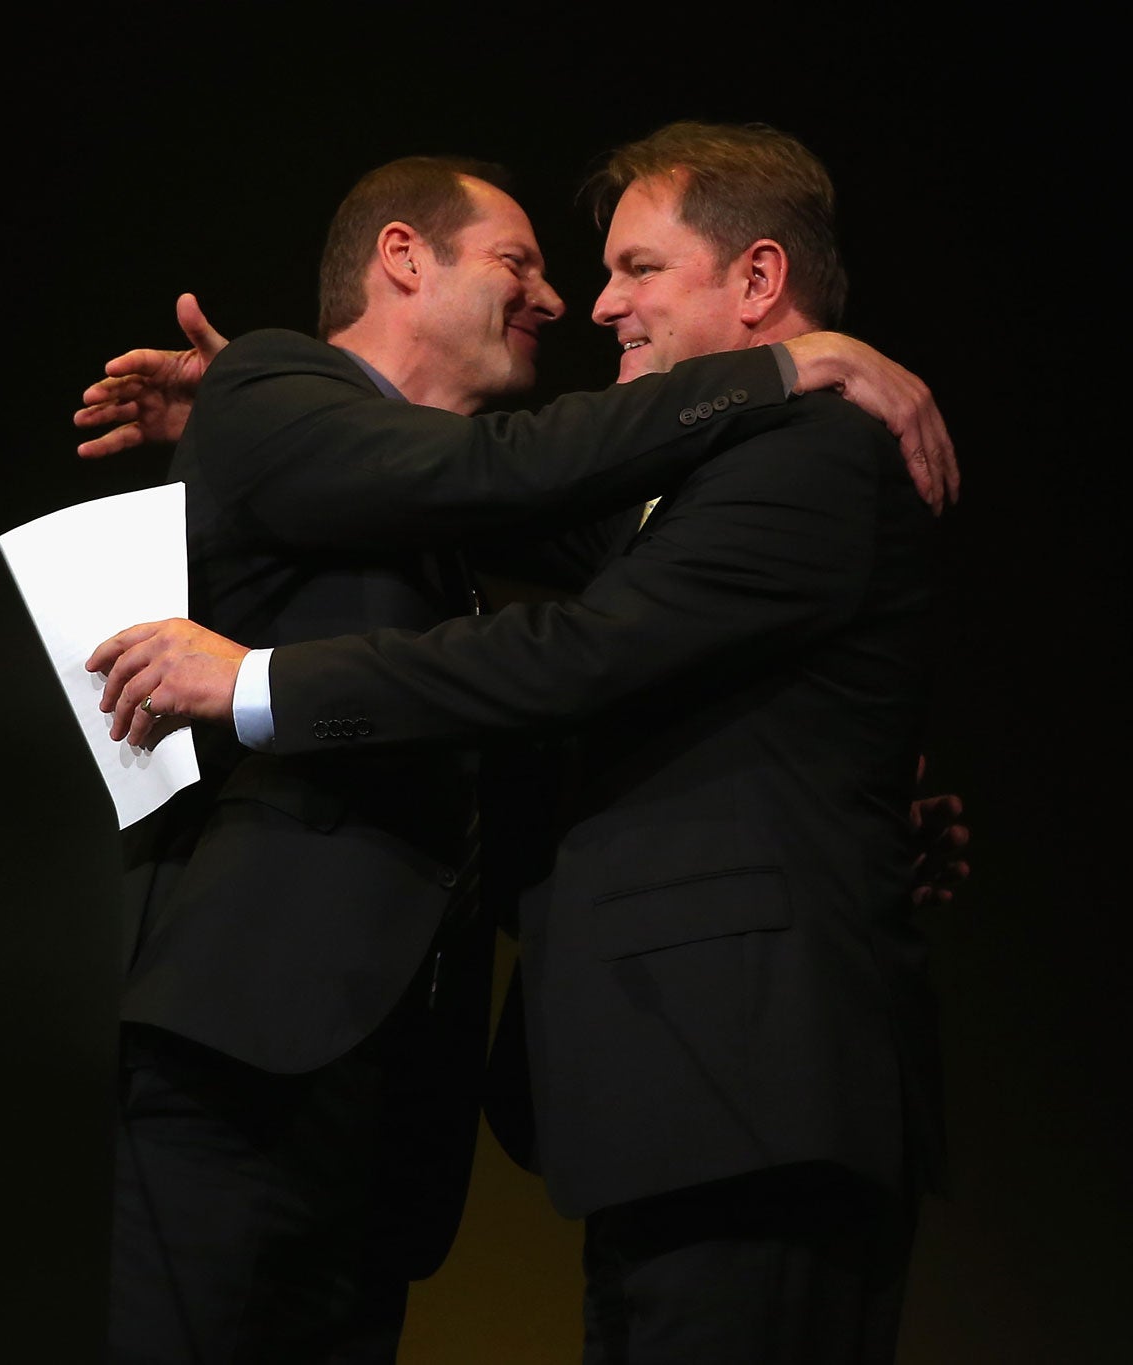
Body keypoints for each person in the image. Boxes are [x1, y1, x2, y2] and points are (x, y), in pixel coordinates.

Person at [90, 121, 952, 1363]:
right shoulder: (282, 387)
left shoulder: (791, 463)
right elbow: (503, 491)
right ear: (402, 258)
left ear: (756, 280)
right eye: (530, 262)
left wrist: (841, 789)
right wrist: (250, 416)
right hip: (254, 1056)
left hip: (522, 1095)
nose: (583, 303)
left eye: (632, 270)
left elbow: (589, 630)